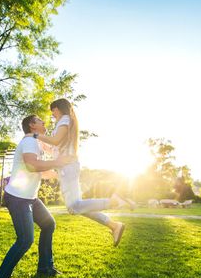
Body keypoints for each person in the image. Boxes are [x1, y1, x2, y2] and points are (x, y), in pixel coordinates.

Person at [30, 98, 135, 247]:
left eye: (52, 111)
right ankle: (114, 225)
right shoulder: (64, 121)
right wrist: (42, 143)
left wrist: (34, 135)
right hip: (67, 167)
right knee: (80, 206)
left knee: (74, 207)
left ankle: (114, 201)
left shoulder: (65, 119)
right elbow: (55, 147)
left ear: (58, 109)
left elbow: (55, 141)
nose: (52, 114)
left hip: (68, 167)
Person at [0, 115, 74, 278]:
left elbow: (38, 171)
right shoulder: (29, 142)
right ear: (32, 125)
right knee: (25, 240)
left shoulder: (35, 143)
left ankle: (45, 267)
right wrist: (58, 162)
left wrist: (58, 174)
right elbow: (32, 166)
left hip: (30, 197)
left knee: (49, 224)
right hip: (17, 198)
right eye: (40, 121)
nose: (44, 122)